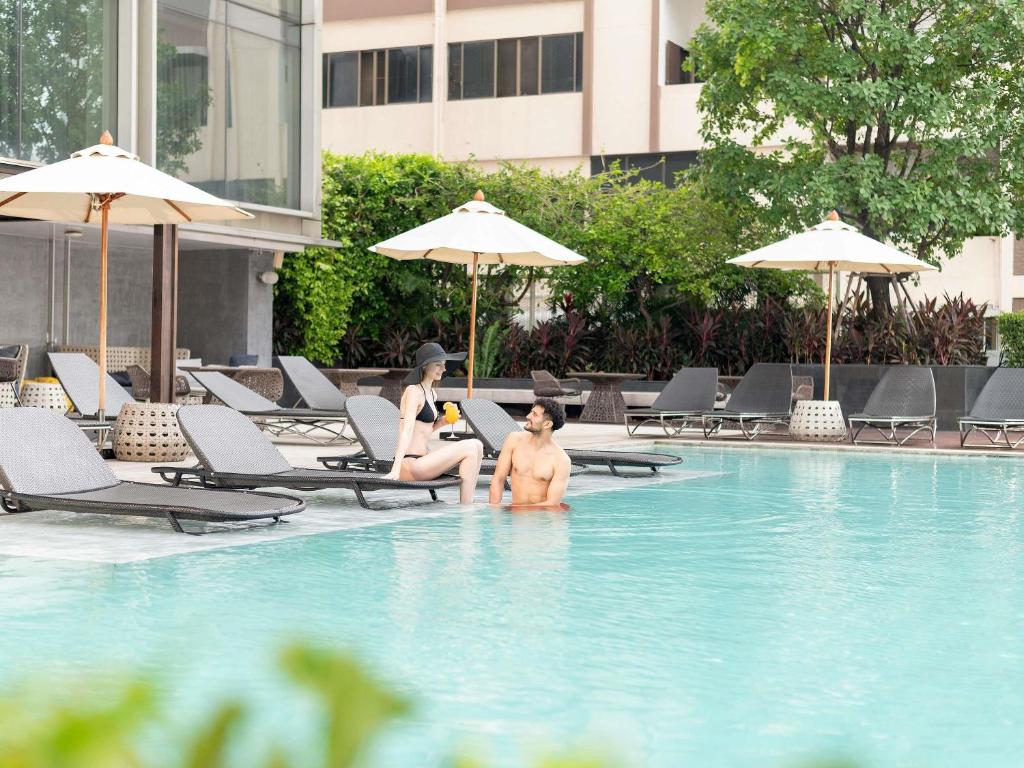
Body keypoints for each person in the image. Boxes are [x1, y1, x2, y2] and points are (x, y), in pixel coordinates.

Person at [384, 342, 483, 503]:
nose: (443, 369)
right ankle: (466, 507)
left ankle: (468, 503)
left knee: (477, 446)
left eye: (443, 365)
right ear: (424, 366)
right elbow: (406, 430)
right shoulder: (413, 391)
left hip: (422, 461)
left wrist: (442, 422)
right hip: (409, 464)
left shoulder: (432, 394)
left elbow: (424, 431)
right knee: (471, 445)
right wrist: (395, 469)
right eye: (438, 364)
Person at [489, 397, 572, 510]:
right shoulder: (514, 440)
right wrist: (494, 512)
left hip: (541, 517)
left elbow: (552, 503)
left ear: (547, 424)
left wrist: (513, 509)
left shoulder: (561, 460)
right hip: (516, 515)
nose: (528, 416)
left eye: (534, 414)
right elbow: (498, 479)